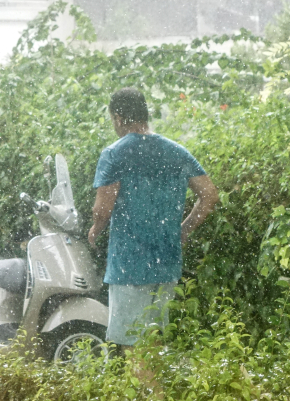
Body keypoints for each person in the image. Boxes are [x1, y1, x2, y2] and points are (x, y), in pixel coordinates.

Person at [88, 87, 219, 349]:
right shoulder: (176, 152)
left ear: (118, 118)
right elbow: (210, 196)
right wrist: (184, 229)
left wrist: (95, 230)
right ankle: (158, 391)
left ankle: (151, 392)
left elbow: (103, 210)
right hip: (166, 263)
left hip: (130, 265)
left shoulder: (115, 153)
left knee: (133, 346)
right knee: (154, 342)